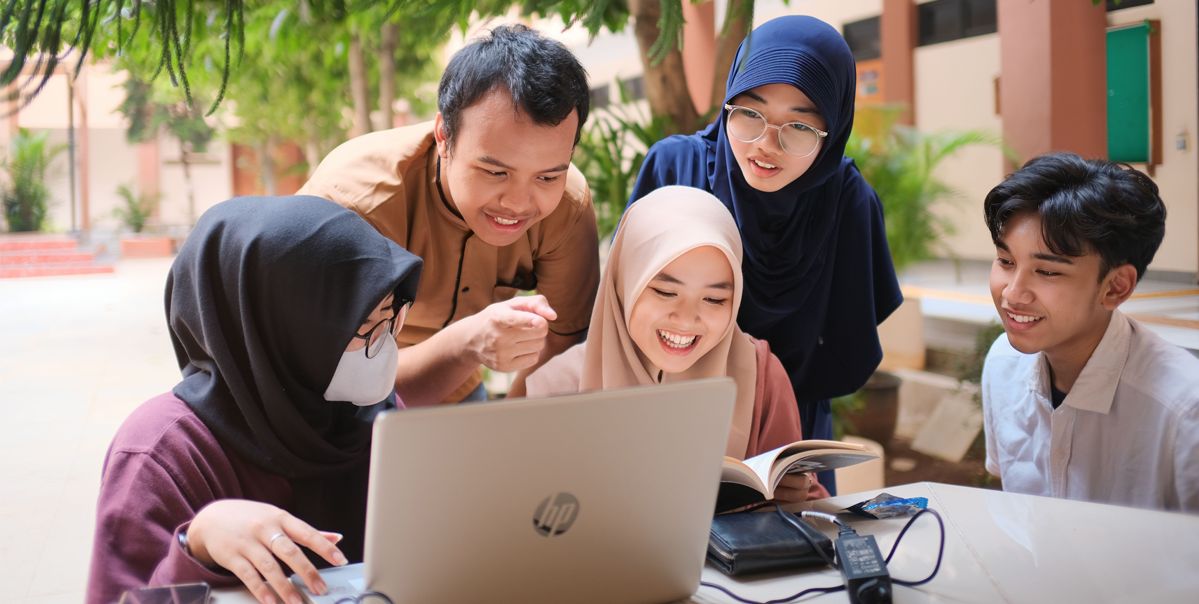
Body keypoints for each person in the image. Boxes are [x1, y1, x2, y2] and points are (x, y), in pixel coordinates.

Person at [84, 196, 424, 604]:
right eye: (364, 327)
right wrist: (197, 547)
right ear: (281, 329)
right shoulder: (161, 451)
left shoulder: (376, 417)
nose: (387, 346)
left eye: (393, 319)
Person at [626, 16, 903, 494]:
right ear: (729, 101)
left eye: (798, 126)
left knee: (794, 562)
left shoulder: (848, 202)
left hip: (790, 441)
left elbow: (849, 350)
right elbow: (622, 304)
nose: (765, 145)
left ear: (832, 129)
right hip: (670, 420)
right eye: (749, 114)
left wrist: (771, 411)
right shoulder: (677, 166)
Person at [298, 24, 599, 405]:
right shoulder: (354, 203)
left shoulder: (568, 205)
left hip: (461, 386)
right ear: (444, 136)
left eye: (547, 176)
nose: (519, 203)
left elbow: (565, 338)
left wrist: (509, 426)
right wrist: (466, 344)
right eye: (495, 172)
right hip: (335, 403)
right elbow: (323, 375)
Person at [523, 186, 829, 504]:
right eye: (666, 292)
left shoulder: (759, 374)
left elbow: (810, 507)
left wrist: (794, 494)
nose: (686, 320)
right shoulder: (555, 390)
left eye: (714, 299)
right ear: (624, 281)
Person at [980, 152, 1199, 513]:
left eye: (1047, 272)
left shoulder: (1184, 410)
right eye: (1006, 261)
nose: (1012, 294)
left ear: (1115, 287)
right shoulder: (1003, 362)